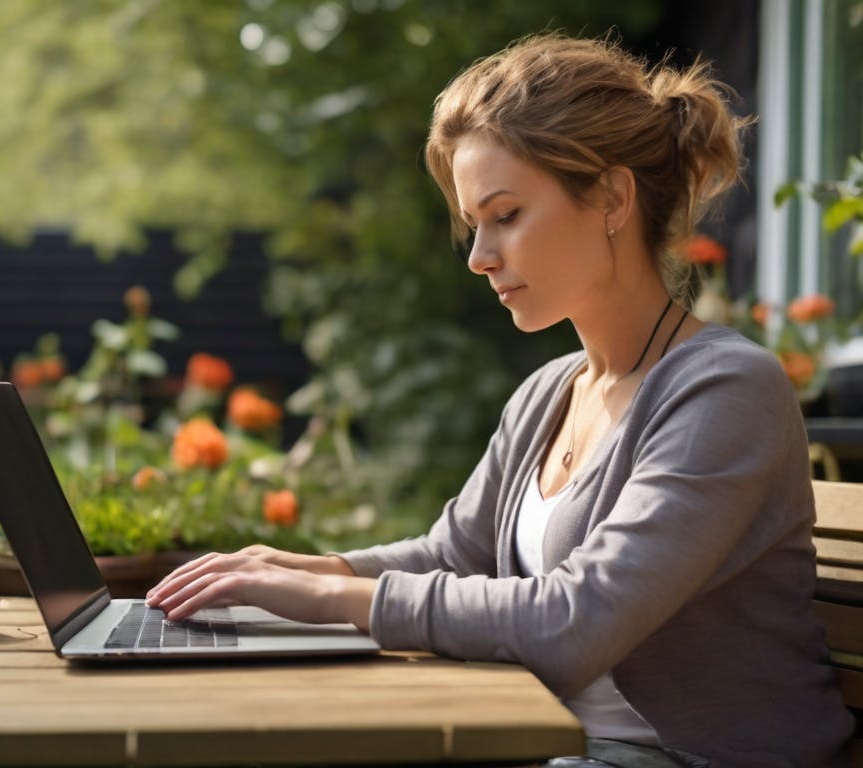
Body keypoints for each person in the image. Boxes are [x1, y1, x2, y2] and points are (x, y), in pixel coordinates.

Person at [147, 33, 853, 766]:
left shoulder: (725, 391)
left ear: (612, 197)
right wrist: (302, 570)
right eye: (473, 224)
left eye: (506, 215)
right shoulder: (550, 393)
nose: (480, 256)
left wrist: (332, 603)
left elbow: (575, 620)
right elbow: (455, 554)